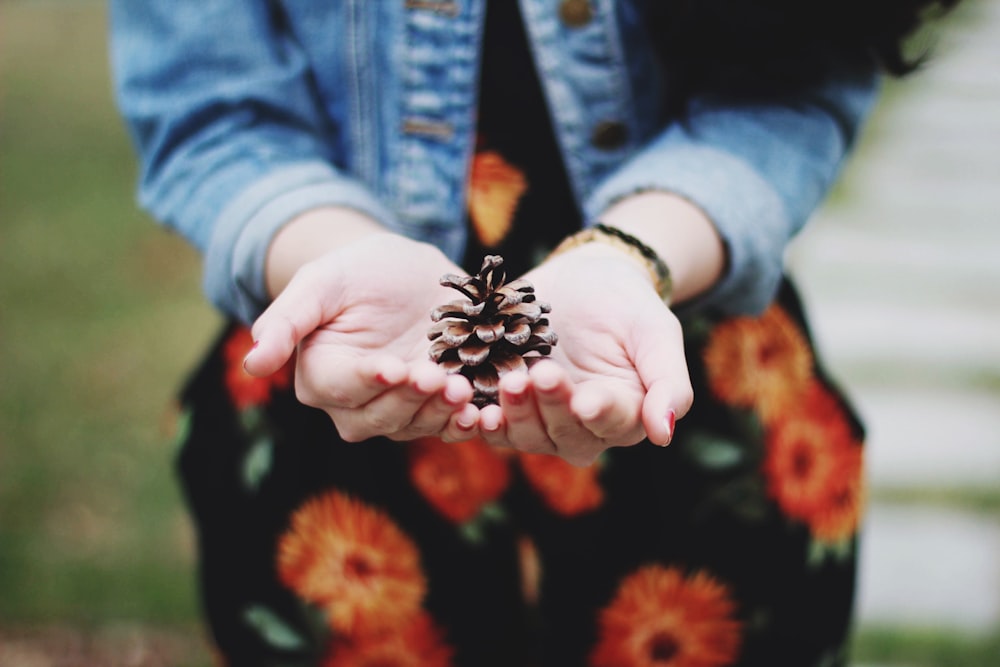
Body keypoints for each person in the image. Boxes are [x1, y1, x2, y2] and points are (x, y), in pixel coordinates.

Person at [110, 1, 957, 665]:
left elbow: (795, 82)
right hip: (344, 396)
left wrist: (629, 255)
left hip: (678, 373)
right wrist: (338, 257)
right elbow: (210, 109)